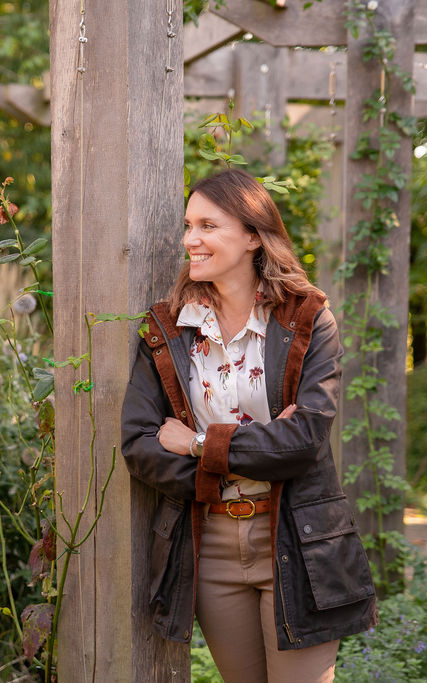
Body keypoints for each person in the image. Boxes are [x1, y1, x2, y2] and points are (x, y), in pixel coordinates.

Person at [121, 168, 377, 682]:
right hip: (211, 545)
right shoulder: (170, 327)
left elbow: (302, 441)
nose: (191, 239)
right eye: (189, 225)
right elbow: (141, 445)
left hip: (297, 538)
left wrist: (196, 443)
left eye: (209, 226)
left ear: (253, 236)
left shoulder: (306, 318)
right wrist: (251, 451)